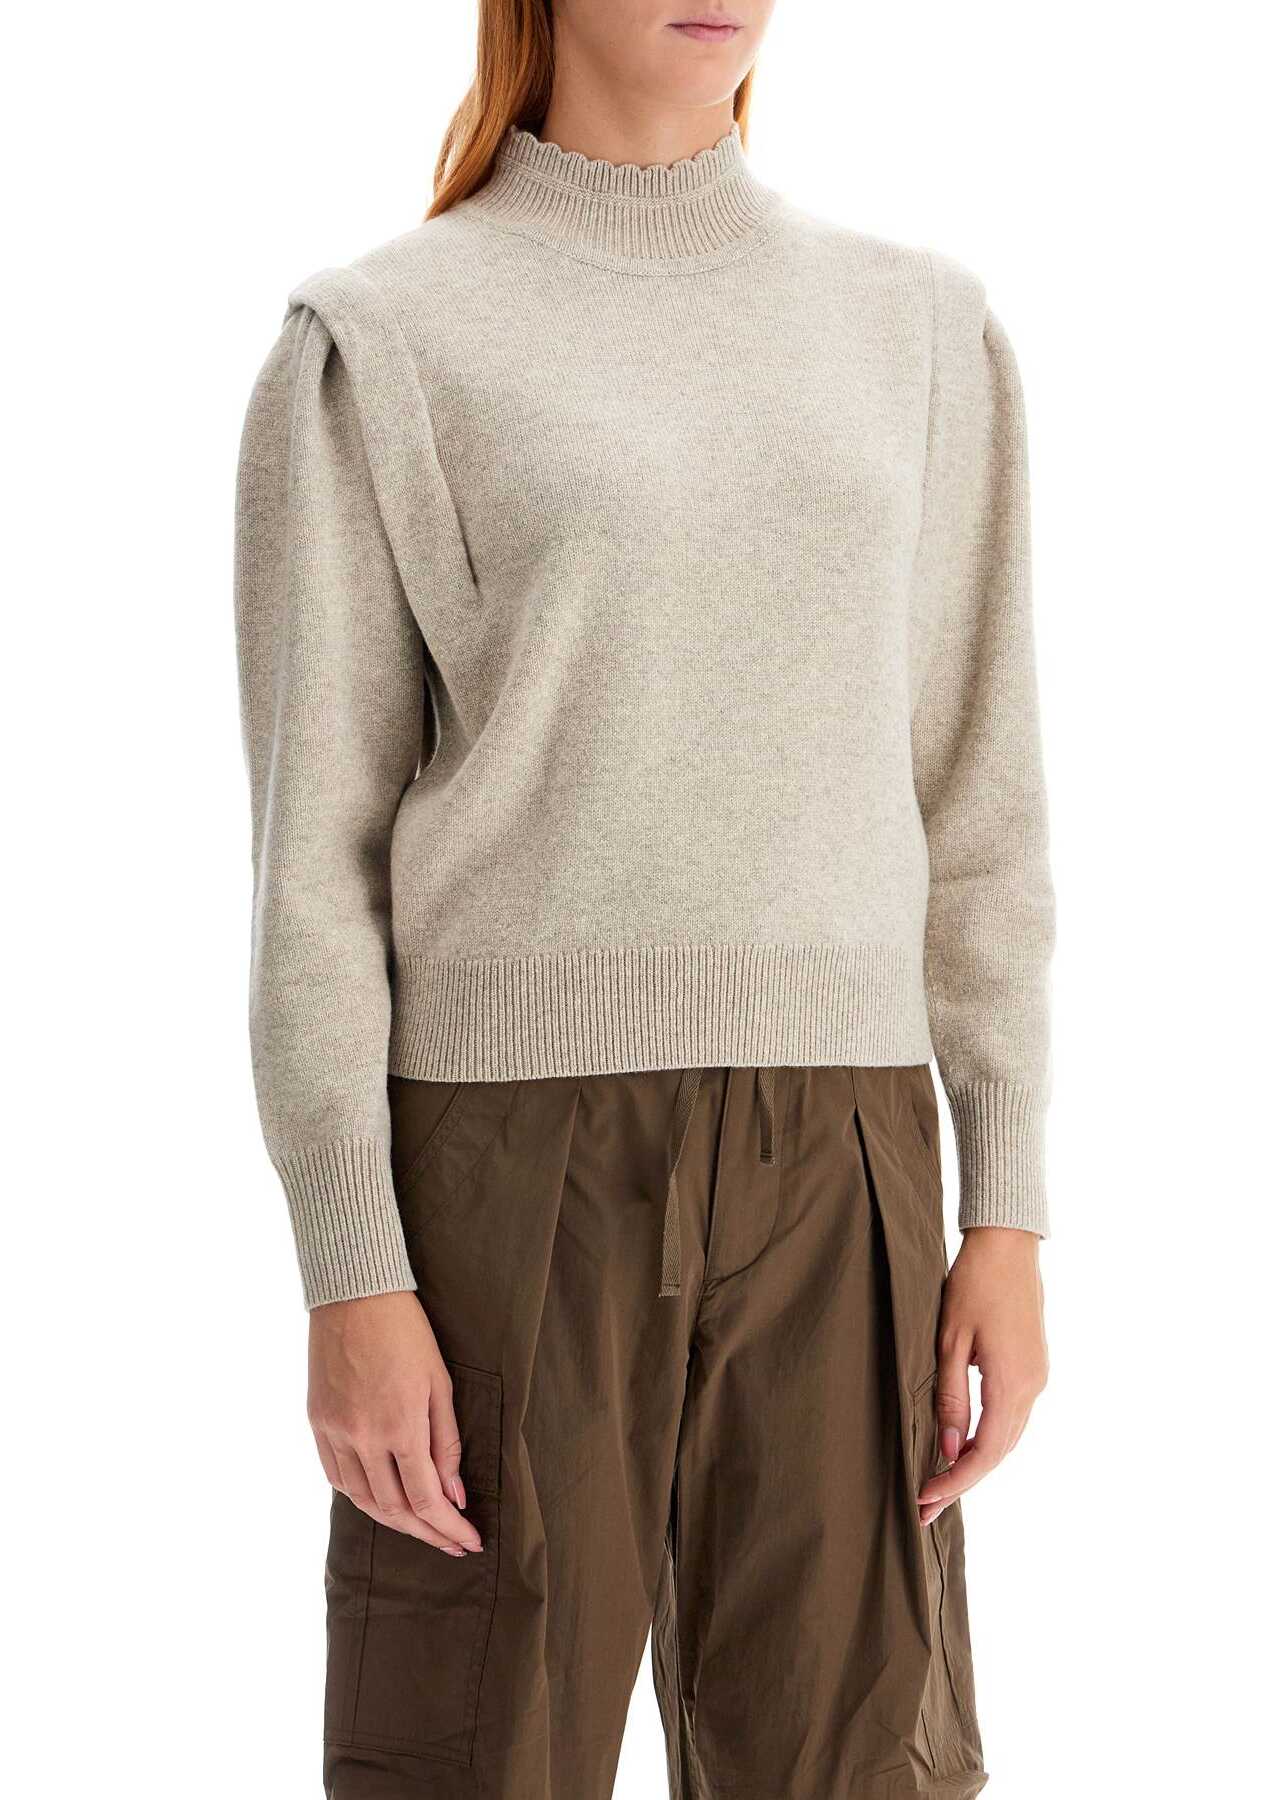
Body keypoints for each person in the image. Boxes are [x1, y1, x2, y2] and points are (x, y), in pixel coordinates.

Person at [234, 3, 1053, 1794]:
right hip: (503, 1164)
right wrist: (349, 1268)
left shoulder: (918, 329)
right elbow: (314, 861)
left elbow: (976, 799)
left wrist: (1005, 1205)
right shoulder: (384, 337)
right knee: (472, 1762)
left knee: (855, 1767)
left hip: (844, 1154)